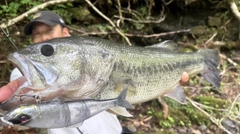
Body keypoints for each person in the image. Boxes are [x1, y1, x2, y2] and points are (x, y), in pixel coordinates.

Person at [0, 11, 189, 133]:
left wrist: (168, 83)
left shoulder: (95, 57)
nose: (42, 38)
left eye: (49, 31)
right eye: (36, 34)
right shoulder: (24, 75)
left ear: (66, 33)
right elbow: (18, 103)